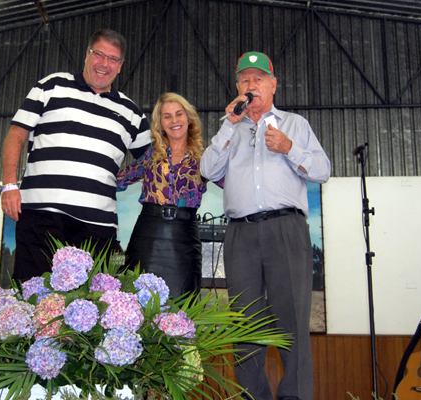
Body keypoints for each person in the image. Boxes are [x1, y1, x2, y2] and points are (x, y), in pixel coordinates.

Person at [200, 52, 331, 400]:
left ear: (273, 85)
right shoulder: (231, 129)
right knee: (245, 325)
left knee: (292, 323)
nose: (251, 85)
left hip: (285, 229)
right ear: (238, 87)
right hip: (240, 233)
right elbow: (207, 170)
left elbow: (322, 170)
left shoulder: (295, 124)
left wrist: (289, 148)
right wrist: (229, 123)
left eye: (258, 79)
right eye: (244, 79)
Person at [0, 29, 151, 282]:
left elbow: (155, 160)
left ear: (121, 66)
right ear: (86, 55)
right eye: (99, 54)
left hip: (98, 226)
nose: (104, 64)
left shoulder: (131, 113)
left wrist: (121, 179)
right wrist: (9, 185)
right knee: (32, 294)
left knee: (94, 306)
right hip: (41, 216)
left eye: (113, 59)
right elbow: (16, 134)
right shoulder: (51, 86)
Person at [117, 92, 221, 298]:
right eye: (167, 116)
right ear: (160, 123)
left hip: (183, 242)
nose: (174, 120)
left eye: (179, 114)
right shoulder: (150, 155)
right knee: (137, 304)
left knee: (182, 306)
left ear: (188, 118)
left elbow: (233, 184)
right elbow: (119, 180)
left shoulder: (205, 160)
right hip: (147, 238)